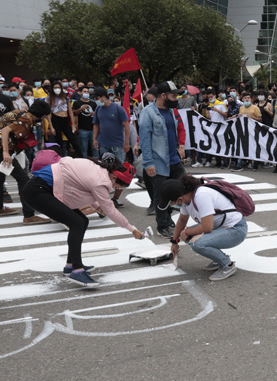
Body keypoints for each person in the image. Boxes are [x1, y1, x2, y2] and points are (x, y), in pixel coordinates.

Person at [22, 154, 144, 287]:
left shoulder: (100, 168)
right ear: (114, 177)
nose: (114, 189)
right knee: (77, 222)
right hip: (37, 191)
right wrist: (132, 229)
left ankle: (70, 265)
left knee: (82, 220)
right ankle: (77, 270)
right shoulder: (100, 180)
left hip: (44, 188)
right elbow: (110, 209)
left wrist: (98, 206)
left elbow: (82, 187)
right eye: (116, 187)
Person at [159, 175, 248, 281]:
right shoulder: (187, 200)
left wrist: (187, 232)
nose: (173, 206)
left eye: (172, 203)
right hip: (220, 227)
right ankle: (217, 259)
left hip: (236, 229)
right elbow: (182, 220)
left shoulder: (201, 195)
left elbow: (207, 227)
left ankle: (227, 265)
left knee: (198, 243)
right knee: (188, 236)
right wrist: (174, 241)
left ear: (179, 199)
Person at [138, 80, 187, 238]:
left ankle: (168, 217)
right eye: (174, 96)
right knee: (161, 195)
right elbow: (144, 139)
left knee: (183, 187)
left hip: (174, 159)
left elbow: (175, 132)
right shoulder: (148, 112)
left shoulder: (171, 111)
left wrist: (180, 147)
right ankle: (162, 225)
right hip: (158, 161)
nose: (176, 99)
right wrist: (148, 162)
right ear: (163, 95)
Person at [0, 101, 52, 224]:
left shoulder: (22, 113)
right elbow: (5, 131)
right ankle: (29, 215)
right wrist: (6, 152)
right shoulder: (26, 119)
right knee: (23, 178)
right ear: (42, 115)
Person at [92, 87, 130, 207]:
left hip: (117, 144)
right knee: (104, 170)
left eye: (97, 98)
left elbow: (126, 125)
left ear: (104, 97)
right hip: (103, 143)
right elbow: (96, 125)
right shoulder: (98, 108)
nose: (96, 101)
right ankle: (105, 198)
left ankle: (116, 198)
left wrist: (126, 142)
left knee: (119, 170)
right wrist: (94, 139)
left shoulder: (118, 108)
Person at [45, 81, 82, 157]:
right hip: (56, 119)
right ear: (52, 89)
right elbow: (47, 113)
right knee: (59, 142)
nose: (57, 89)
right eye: (55, 87)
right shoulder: (49, 98)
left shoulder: (66, 97)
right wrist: (51, 127)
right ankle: (60, 159)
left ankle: (81, 158)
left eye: (58, 87)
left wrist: (73, 125)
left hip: (65, 120)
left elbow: (70, 112)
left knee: (74, 141)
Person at [72, 87, 98, 158]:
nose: (86, 93)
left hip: (93, 129)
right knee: (83, 148)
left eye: (87, 92)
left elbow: (98, 114)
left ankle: (98, 164)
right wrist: (80, 109)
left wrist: (94, 114)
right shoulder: (77, 103)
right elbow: (73, 113)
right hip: (82, 129)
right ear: (80, 93)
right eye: (84, 91)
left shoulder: (93, 103)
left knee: (95, 148)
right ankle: (84, 164)